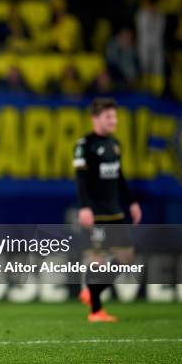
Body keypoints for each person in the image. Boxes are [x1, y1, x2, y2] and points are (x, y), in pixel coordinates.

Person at [73, 97, 142, 323]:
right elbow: (81, 179)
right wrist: (84, 207)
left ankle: (91, 291)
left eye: (115, 116)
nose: (114, 120)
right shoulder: (85, 145)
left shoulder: (115, 144)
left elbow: (120, 177)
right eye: (109, 116)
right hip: (96, 213)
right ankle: (96, 311)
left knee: (127, 257)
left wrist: (131, 202)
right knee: (98, 259)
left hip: (115, 212)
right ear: (95, 118)